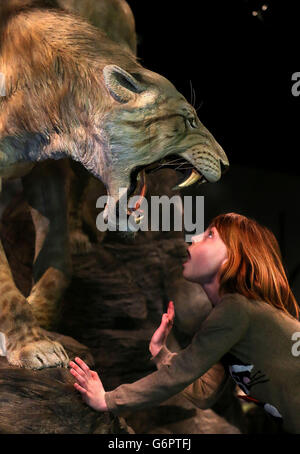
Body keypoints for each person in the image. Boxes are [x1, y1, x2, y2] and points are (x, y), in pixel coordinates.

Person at [69, 212, 300, 434]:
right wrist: (161, 353)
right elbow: (204, 392)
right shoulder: (238, 316)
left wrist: (107, 400)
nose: (194, 237)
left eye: (210, 235)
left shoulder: (236, 310)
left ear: (231, 259)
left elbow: (174, 377)